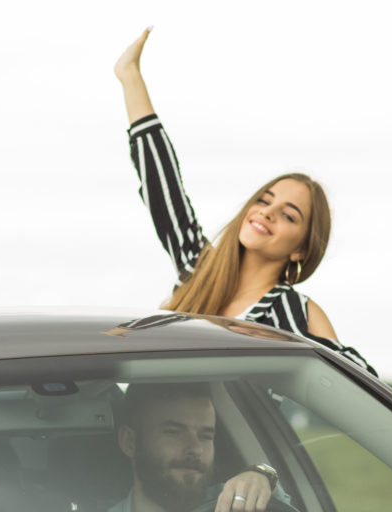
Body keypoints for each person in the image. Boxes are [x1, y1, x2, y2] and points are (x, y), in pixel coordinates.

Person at [113, 27, 375, 374]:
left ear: (300, 249)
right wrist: (130, 76)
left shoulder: (295, 312)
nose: (267, 212)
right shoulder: (199, 269)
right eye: (265, 200)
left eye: (289, 215)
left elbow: (360, 381)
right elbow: (164, 186)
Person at [47, 383, 288, 512]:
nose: (194, 448)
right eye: (173, 432)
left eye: (206, 436)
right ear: (129, 442)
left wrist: (263, 476)